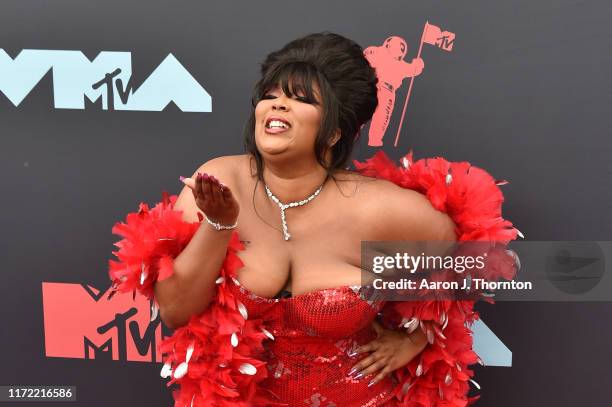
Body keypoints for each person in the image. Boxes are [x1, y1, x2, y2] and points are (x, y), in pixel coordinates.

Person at [107, 32, 520, 406]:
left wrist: (419, 337)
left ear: (335, 132)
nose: (277, 103)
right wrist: (219, 226)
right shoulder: (218, 179)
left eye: (302, 99)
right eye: (271, 94)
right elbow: (176, 311)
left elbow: (492, 262)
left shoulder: (376, 209)